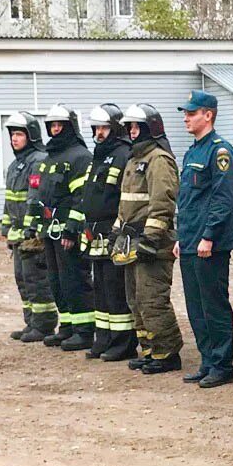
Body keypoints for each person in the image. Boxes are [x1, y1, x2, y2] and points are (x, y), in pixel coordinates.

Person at [176, 90, 233, 389]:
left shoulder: (220, 151)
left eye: (191, 112)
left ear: (208, 115)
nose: (186, 117)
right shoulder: (192, 152)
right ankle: (207, 361)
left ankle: (222, 365)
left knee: (214, 305)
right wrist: (181, 237)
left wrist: (209, 236)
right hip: (190, 241)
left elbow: (222, 199)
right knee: (195, 307)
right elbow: (188, 199)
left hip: (209, 244)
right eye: (186, 113)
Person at [116, 103, 184, 374]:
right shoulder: (134, 160)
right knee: (135, 300)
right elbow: (126, 204)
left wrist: (151, 239)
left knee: (152, 299)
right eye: (129, 127)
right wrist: (116, 234)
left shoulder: (159, 160)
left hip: (153, 244)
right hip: (131, 241)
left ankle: (167, 353)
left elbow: (163, 204)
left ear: (150, 128)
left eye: (137, 126)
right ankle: (149, 351)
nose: (132, 132)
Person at [33, 105, 96, 351]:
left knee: (74, 279)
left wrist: (72, 229)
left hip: (67, 232)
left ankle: (84, 330)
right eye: (52, 126)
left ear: (70, 127)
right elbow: (42, 195)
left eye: (60, 125)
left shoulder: (80, 157)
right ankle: (68, 327)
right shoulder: (50, 158)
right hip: (50, 229)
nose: (56, 130)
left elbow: (81, 197)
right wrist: (39, 226)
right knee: (56, 280)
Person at [80, 103, 136, 362]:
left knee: (116, 290)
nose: (99, 133)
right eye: (96, 128)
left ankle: (123, 343)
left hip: (113, 233)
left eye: (104, 127)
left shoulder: (124, 154)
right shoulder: (99, 155)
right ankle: (102, 338)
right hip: (94, 233)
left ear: (115, 129)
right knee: (100, 289)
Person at [2, 111, 57, 343]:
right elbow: (10, 200)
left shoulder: (38, 161)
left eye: (19, 134)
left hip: (31, 235)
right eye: (12, 135)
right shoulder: (16, 164)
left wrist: (32, 230)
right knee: (22, 279)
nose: (14, 139)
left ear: (30, 136)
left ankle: (44, 325)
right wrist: (6, 229)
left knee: (36, 280)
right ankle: (31, 321)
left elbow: (35, 199)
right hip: (18, 235)